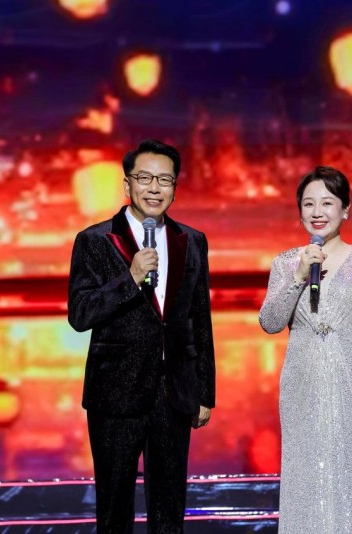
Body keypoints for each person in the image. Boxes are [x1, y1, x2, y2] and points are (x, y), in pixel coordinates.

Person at [68, 139, 215, 533]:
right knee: (114, 507)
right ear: (127, 184)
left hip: (173, 394)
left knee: (169, 508)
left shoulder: (192, 241)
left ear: (175, 188)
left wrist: (204, 391)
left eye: (164, 180)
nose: (154, 188)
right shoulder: (95, 241)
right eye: (145, 178)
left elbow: (199, 318)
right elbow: (80, 315)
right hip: (116, 393)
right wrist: (130, 278)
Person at [258, 166, 352, 533]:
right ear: (299, 211)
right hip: (301, 384)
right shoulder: (285, 263)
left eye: (327, 202)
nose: (317, 211)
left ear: (345, 209)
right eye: (308, 204)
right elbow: (270, 322)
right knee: (305, 475)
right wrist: (299, 276)